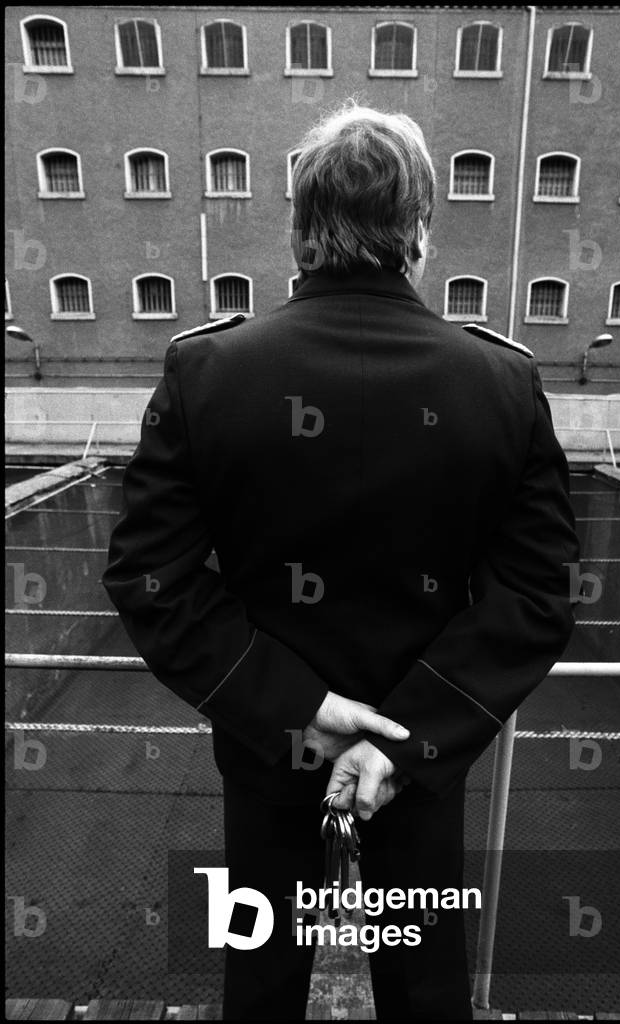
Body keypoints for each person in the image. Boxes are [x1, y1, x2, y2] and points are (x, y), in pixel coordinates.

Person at [102, 101, 579, 1020]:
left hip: (268, 744)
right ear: (422, 231)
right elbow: (535, 592)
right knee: (426, 983)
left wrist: (304, 711)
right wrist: (403, 738)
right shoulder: (503, 383)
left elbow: (150, 581)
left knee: (264, 978)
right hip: (424, 755)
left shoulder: (208, 373)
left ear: (296, 227)